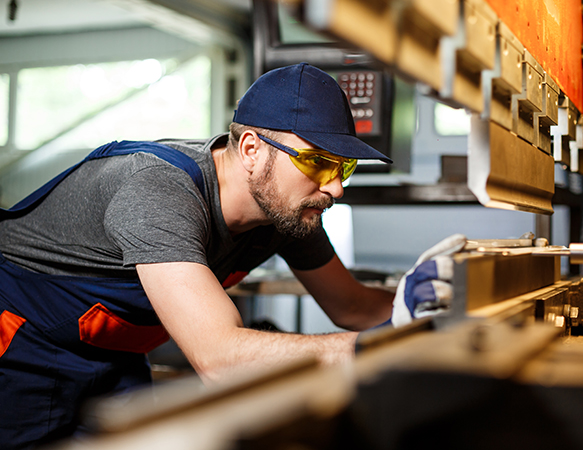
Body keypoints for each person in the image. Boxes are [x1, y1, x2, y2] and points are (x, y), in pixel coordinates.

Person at [0, 63, 398, 449]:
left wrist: (429, 305)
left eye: (343, 168)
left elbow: (353, 306)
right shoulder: (158, 190)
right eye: (316, 162)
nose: (336, 188)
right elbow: (220, 358)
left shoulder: (288, 212)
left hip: (115, 351)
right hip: (21, 346)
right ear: (251, 149)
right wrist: (369, 352)